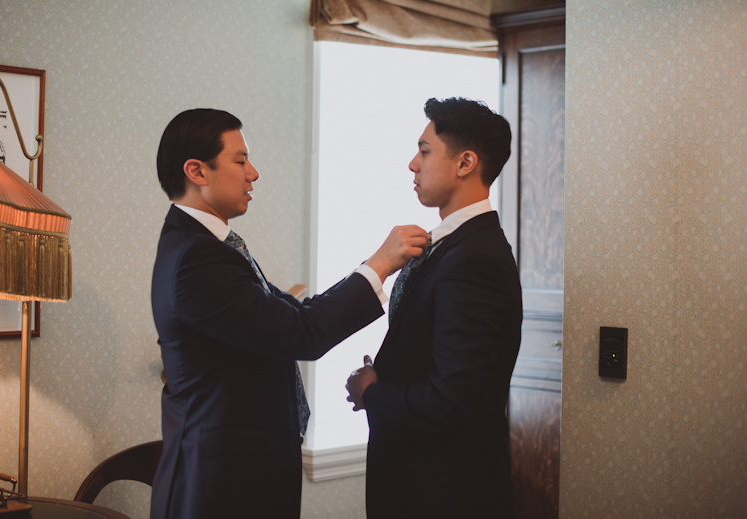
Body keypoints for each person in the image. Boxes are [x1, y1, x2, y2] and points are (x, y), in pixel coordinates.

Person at [149, 108, 428, 519]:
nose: (254, 173)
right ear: (197, 171)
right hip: (220, 486)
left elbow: (292, 315)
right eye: (240, 161)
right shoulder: (197, 257)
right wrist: (379, 264)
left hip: (237, 473)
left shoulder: (209, 247)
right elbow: (301, 334)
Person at [346, 98, 523, 518]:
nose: (412, 163)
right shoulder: (454, 246)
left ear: (465, 163)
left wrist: (373, 392)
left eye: (424, 151)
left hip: (444, 491)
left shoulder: (474, 258)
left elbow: (455, 400)